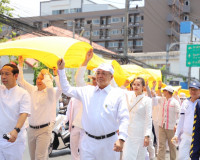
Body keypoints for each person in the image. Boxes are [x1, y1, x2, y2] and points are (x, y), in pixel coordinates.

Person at [57, 57, 129, 160]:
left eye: (104, 73)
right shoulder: (87, 91)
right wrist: (61, 70)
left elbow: (124, 118)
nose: (100, 76)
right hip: (88, 142)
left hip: (108, 143)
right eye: (98, 73)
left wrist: (121, 139)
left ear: (111, 77)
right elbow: (67, 89)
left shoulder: (118, 94)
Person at [18, 56, 62, 160]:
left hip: (44, 130)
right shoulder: (33, 90)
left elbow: (56, 87)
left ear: (47, 81)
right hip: (31, 130)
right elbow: (21, 81)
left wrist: (48, 74)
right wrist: (20, 64)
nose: (39, 80)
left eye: (42, 79)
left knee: (40, 157)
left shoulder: (51, 94)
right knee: (33, 158)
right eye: (38, 78)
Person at [0, 64, 31, 160]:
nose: (3, 77)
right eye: (1, 74)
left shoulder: (23, 93)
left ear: (16, 76)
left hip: (14, 139)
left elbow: (24, 113)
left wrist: (16, 130)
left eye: (7, 74)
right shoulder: (1, 90)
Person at [123, 77, 152, 160]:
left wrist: (147, 135)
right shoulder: (128, 95)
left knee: (139, 157)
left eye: (138, 85)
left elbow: (148, 119)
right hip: (128, 133)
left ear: (143, 87)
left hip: (140, 134)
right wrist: (124, 84)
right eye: (134, 84)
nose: (135, 86)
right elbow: (117, 90)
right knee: (127, 156)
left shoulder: (147, 100)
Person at [171, 81, 200, 160]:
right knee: (181, 157)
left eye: (195, 89)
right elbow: (181, 120)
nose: (192, 92)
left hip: (197, 138)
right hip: (186, 136)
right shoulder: (185, 103)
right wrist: (176, 135)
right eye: (191, 89)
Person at [153, 85, 180, 160]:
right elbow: (154, 96)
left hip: (171, 127)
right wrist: (155, 87)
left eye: (164, 91)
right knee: (161, 145)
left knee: (172, 146)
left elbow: (179, 113)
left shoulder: (175, 102)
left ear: (167, 92)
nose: (163, 92)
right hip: (162, 126)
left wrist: (177, 124)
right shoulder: (162, 99)